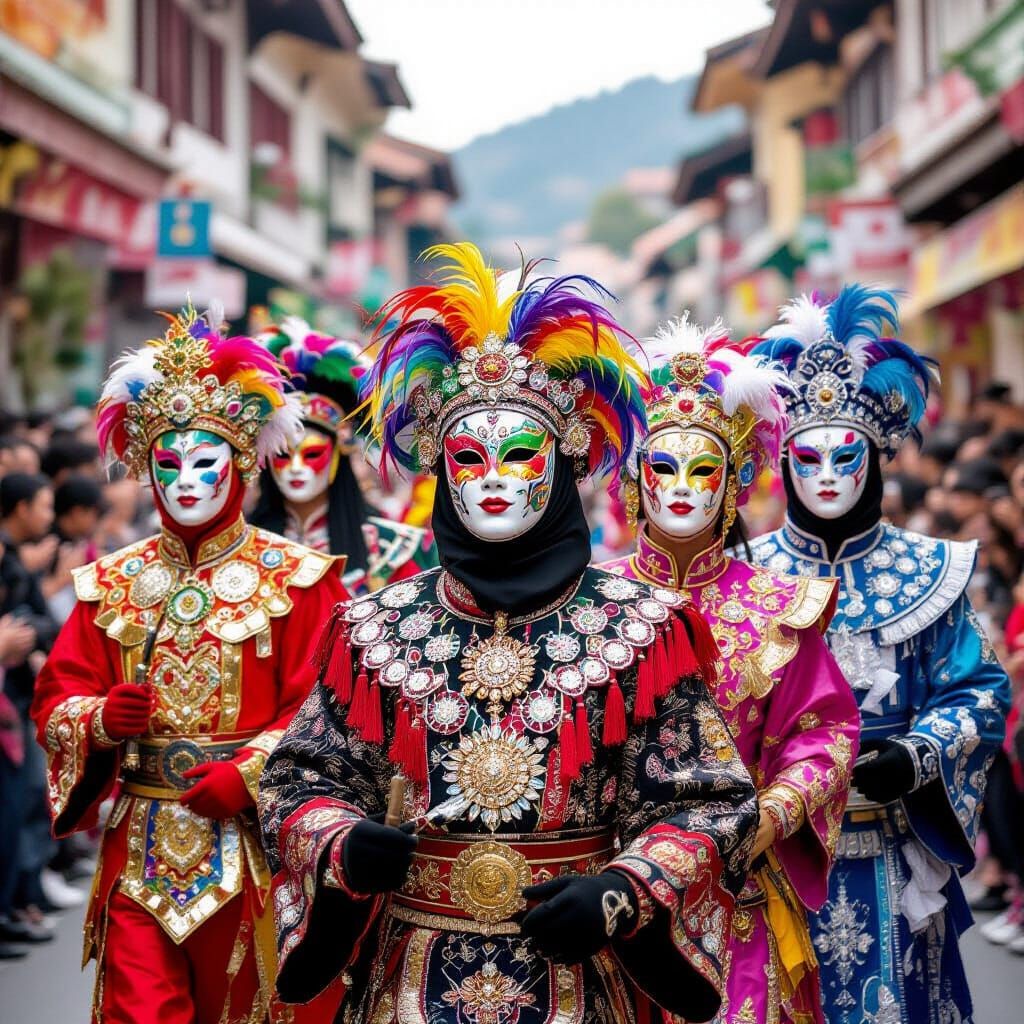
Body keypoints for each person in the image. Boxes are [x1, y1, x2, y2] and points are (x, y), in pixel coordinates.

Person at [259, 244, 759, 1024]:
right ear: (441, 470)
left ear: (562, 464)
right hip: (409, 980)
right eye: (470, 456)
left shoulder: (643, 627)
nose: (493, 476)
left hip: (581, 981)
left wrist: (622, 891)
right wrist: (342, 842)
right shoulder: (375, 628)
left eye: (520, 453)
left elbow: (712, 801)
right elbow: (297, 781)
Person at [31, 305, 348, 1024]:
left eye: (204, 462)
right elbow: (57, 693)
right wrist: (99, 719)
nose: (185, 482)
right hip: (140, 847)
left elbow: (326, 705)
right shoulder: (111, 581)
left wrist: (251, 773)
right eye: (167, 465)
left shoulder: (299, 580)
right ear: (145, 470)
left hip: (258, 851)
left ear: (241, 463)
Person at [748, 287, 1010, 1024]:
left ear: (875, 455)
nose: (827, 474)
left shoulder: (932, 571)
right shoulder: (746, 575)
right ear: (784, 465)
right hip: (775, 854)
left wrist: (919, 755)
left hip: (890, 847)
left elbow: (979, 690)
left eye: (846, 455)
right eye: (808, 458)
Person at [602, 316, 859, 1024]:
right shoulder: (590, 603)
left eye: (703, 469)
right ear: (635, 479)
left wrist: (772, 817)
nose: (682, 488)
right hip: (608, 901)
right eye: (663, 467)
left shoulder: (780, 608)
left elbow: (824, 734)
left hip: (737, 897)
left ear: (738, 481)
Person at [251, 319, 437, 594]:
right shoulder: (247, 546)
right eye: (283, 455)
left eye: (312, 454)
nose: (296, 467)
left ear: (340, 450)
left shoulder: (392, 550)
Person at [0, 473, 59, 947]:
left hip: (12, 707)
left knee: (17, 808)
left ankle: (17, 901)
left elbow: (44, 622)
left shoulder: (15, 563)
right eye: (43, 505)